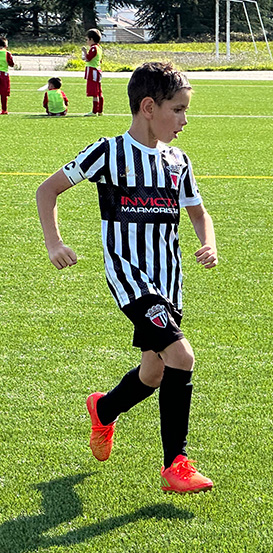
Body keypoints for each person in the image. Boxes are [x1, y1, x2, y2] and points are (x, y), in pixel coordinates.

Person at [36, 62, 218, 494]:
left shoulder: (178, 160)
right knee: (183, 357)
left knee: (154, 372)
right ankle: (176, 463)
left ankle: (104, 408)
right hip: (131, 279)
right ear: (149, 107)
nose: (184, 120)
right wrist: (54, 243)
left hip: (169, 280)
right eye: (178, 109)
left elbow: (197, 211)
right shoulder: (108, 152)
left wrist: (208, 241)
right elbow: (47, 190)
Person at [81, 28, 103, 116]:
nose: (87, 42)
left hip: (92, 71)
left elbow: (88, 58)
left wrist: (84, 52)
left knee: (95, 92)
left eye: (87, 39)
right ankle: (100, 110)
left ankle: (94, 111)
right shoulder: (99, 48)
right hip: (97, 70)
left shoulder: (93, 48)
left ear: (91, 39)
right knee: (99, 91)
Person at [0, 37, 14, 115]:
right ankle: (4, 110)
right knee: (4, 93)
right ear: (5, 45)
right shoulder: (7, 53)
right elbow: (11, 64)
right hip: (3, 74)